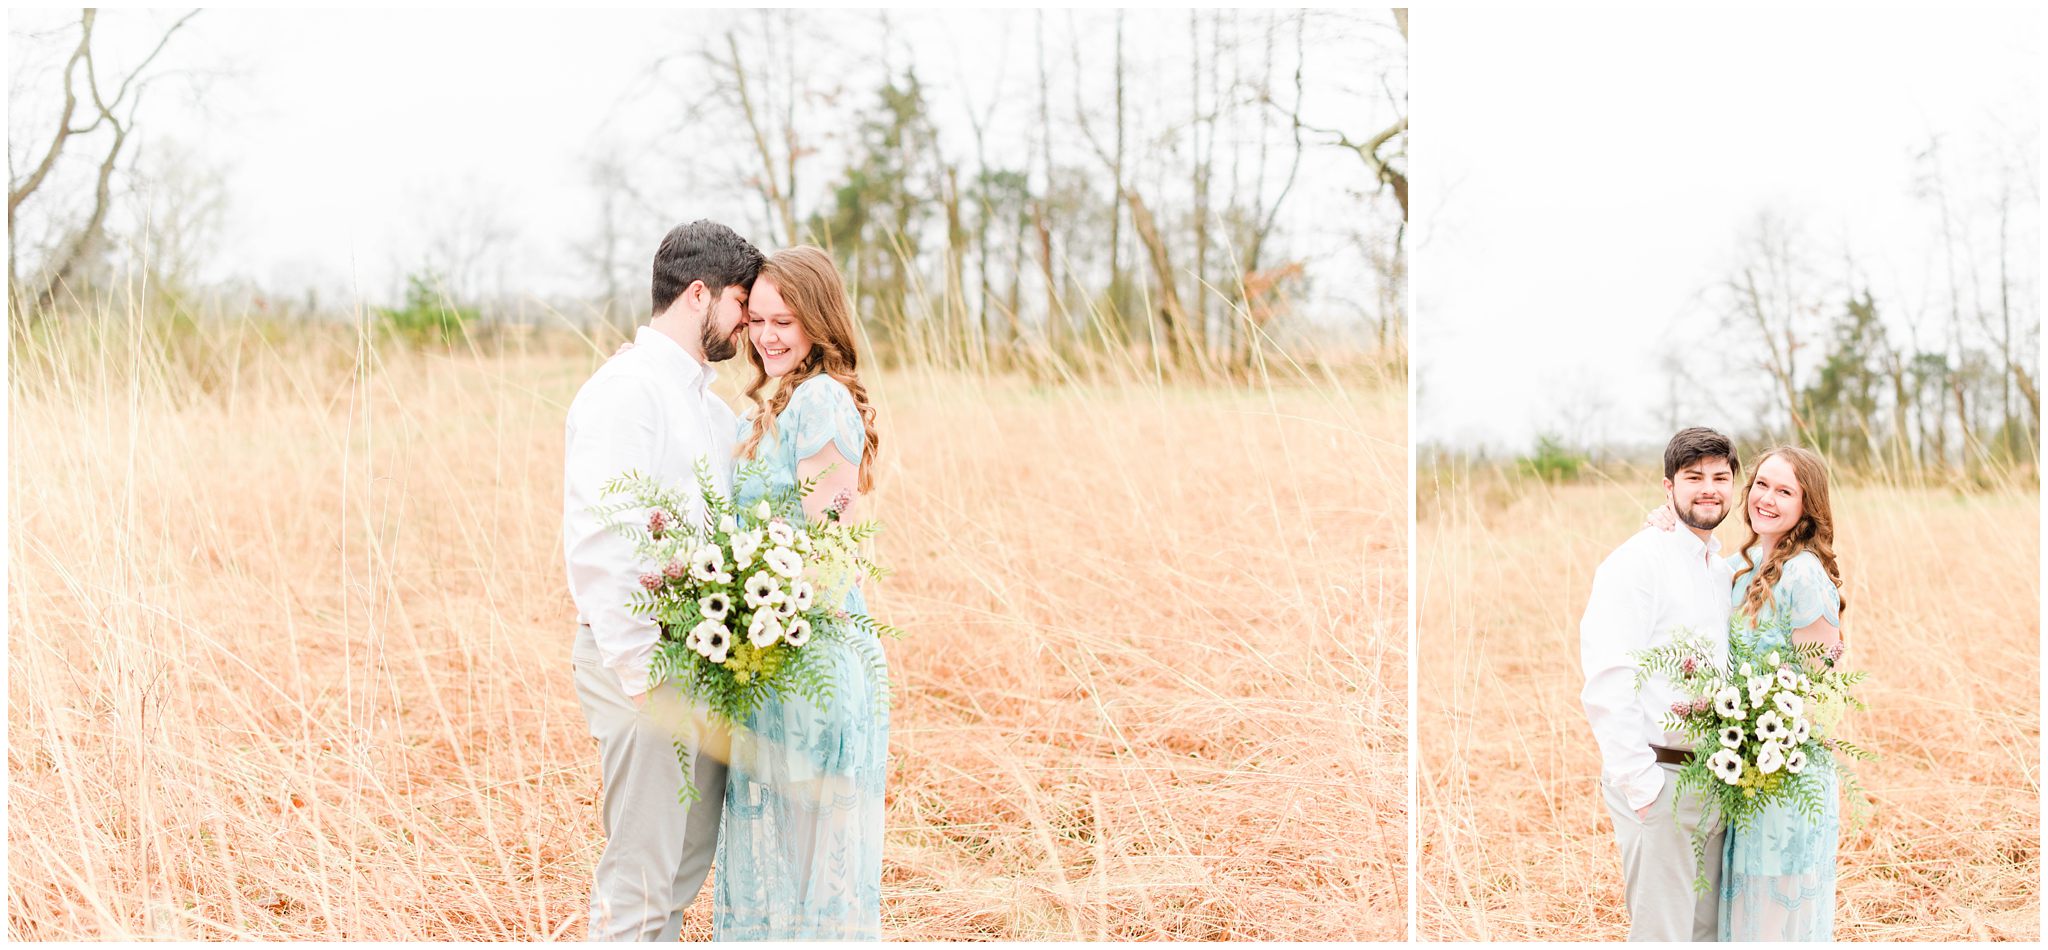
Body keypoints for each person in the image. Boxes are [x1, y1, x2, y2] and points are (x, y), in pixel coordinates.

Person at [561, 220, 763, 941]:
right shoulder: (626, 391)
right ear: (700, 293)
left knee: (680, 868)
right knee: (640, 878)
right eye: (742, 302)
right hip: (644, 660)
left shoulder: (708, 407)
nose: (747, 322)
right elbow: (602, 537)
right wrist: (643, 673)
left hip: (701, 660)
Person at [714, 245, 889, 940]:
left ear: (819, 319)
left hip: (813, 659)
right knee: (788, 864)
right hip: (773, 659)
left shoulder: (820, 400)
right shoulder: (773, 402)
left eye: (785, 319)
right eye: (756, 319)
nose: (768, 335)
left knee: (812, 871)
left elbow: (833, 553)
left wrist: (761, 616)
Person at [1579, 427, 1740, 941]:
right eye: (1694, 478)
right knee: (1661, 936)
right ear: (1668, 487)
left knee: (1706, 933)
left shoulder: (1721, 567)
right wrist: (1642, 787)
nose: (1709, 488)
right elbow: (1609, 678)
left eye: (1720, 477)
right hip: (1661, 778)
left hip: (1715, 778)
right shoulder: (1637, 562)